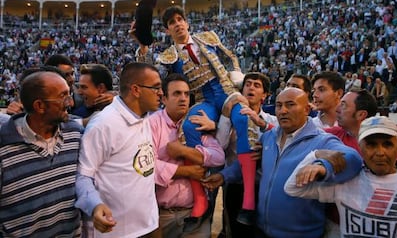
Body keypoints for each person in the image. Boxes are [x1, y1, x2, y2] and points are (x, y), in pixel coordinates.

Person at [134, 3, 257, 228]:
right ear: (168, 30)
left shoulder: (208, 38)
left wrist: (236, 78)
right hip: (204, 100)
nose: (177, 24)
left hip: (225, 91)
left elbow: (229, 58)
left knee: (242, 118)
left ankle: (249, 200)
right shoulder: (168, 56)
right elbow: (150, 74)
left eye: (180, 19)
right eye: (172, 23)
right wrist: (143, 48)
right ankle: (200, 198)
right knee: (190, 127)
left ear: (187, 23)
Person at [202, 88, 362, 237]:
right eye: (279, 105)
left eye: (290, 105)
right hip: (262, 230)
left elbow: (352, 158)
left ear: (307, 109)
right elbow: (253, 161)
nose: (283, 111)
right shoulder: (269, 136)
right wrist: (224, 176)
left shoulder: (321, 140)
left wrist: (323, 166)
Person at [285, 116, 397, 237]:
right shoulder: (347, 181)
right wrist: (315, 155)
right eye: (371, 145)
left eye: (387, 144)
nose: (380, 152)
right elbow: (292, 188)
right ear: (360, 147)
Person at [75, 62, 162, 238]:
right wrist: (95, 205)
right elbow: (83, 175)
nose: (161, 93)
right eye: (156, 88)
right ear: (136, 90)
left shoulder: (145, 116)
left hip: (149, 224)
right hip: (116, 231)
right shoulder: (104, 125)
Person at [0, 71, 83, 237]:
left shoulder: (75, 133)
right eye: (63, 96)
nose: (71, 102)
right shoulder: (4, 147)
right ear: (40, 106)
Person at [150, 73, 225, 237]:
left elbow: (218, 156)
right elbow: (147, 167)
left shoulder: (197, 120)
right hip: (161, 215)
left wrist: (184, 151)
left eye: (186, 94)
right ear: (164, 98)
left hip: (196, 214)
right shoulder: (151, 124)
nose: (183, 98)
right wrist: (185, 171)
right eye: (177, 94)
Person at [214, 72, 278, 237]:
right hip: (235, 186)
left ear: (265, 95)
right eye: (248, 84)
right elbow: (219, 146)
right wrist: (226, 115)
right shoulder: (229, 118)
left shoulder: (272, 121)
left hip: (264, 186)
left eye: (257, 85)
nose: (251, 88)